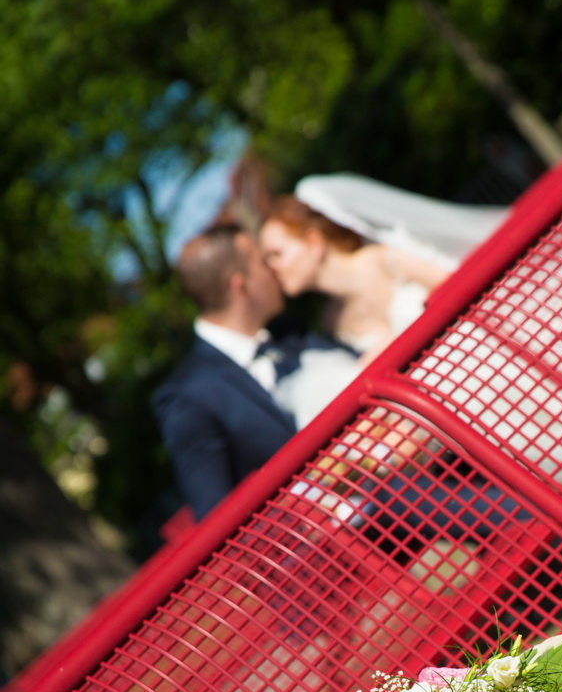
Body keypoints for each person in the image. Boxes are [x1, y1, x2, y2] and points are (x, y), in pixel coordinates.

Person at [153, 223, 359, 521]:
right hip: (325, 553)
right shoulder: (187, 396)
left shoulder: (291, 332)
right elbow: (216, 517)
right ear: (241, 286)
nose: (274, 270)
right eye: (263, 262)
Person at [259, 175, 508, 356]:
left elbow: (463, 292)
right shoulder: (331, 323)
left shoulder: (385, 259)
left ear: (314, 242)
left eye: (276, 254)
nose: (271, 267)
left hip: (485, 357)